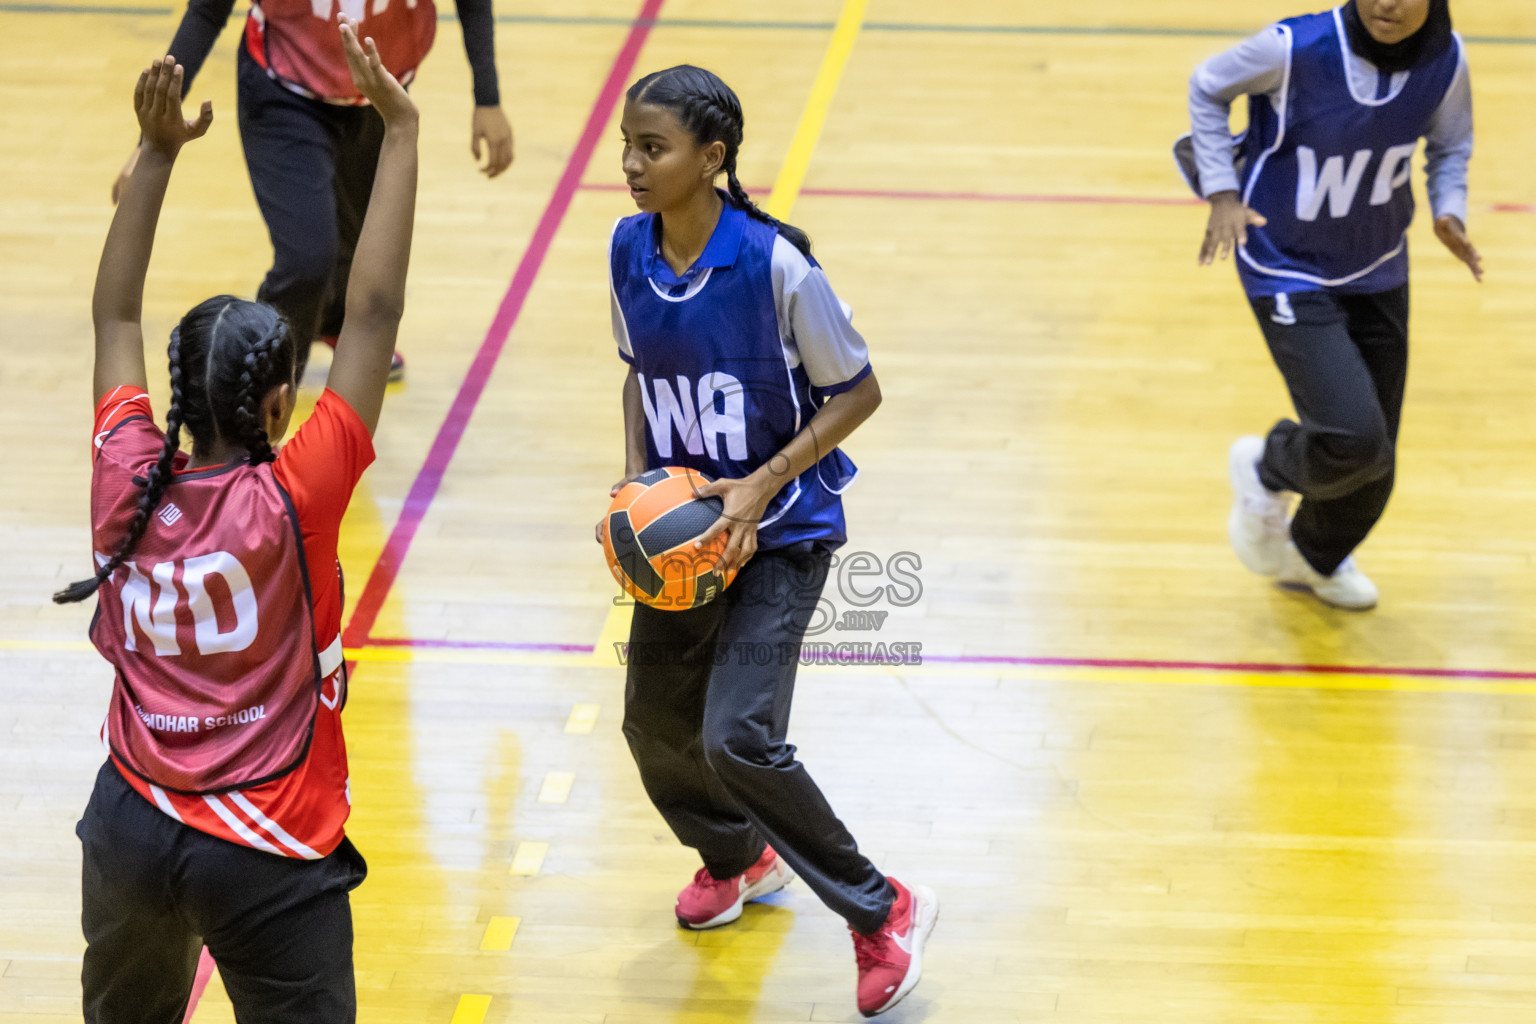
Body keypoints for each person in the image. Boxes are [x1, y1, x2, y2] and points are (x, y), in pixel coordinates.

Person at [62, 21, 417, 1021]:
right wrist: (399, 134)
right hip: (265, 848)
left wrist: (157, 150)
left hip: (129, 823)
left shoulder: (125, 472)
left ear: (177, 394)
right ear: (276, 410)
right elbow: (376, 310)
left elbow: (115, 318)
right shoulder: (295, 498)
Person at [597, 65, 937, 1018]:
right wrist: (634, 485)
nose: (630, 164)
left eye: (652, 148)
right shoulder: (628, 251)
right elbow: (637, 375)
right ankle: (737, 859)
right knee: (653, 729)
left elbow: (859, 392)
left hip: (782, 534)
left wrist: (761, 485)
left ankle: (882, 910)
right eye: (626, 145)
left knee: (738, 736)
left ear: (712, 160)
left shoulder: (777, 266)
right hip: (686, 540)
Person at [1180, 0, 1478, 609]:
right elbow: (1208, 86)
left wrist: (1450, 208)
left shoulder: (1447, 60)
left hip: (1378, 264)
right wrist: (1221, 190)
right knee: (1352, 438)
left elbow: (1450, 147)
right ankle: (1268, 466)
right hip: (1285, 263)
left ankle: (1313, 558)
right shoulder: (1293, 48)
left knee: (1377, 464)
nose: (1385, 4)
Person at [112, 0, 512, 381]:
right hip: (283, 93)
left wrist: (488, 98)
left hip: (379, 95)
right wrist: (147, 148)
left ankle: (334, 322)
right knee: (307, 259)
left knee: (358, 245)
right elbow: (207, 11)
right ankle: (266, 377)